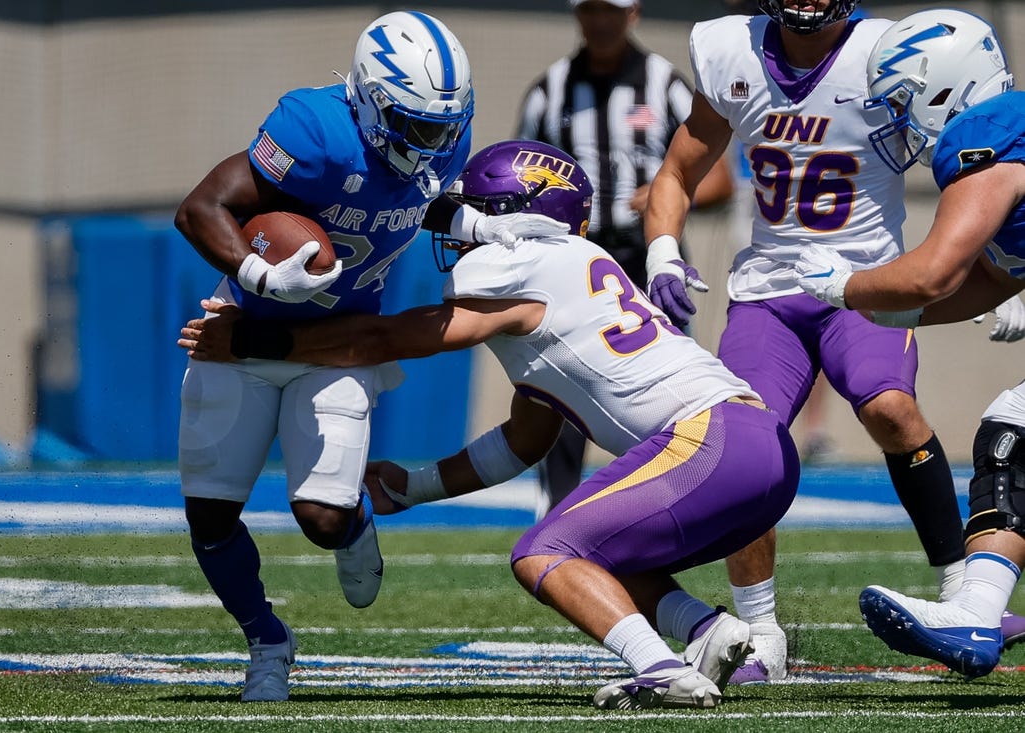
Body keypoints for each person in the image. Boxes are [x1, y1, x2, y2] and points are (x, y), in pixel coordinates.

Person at [179, 139, 802, 709]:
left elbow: (381, 336)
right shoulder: (575, 277)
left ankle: (662, 670)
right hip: (757, 450)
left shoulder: (522, 267)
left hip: (709, 441)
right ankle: (703, 628)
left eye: (483, 210)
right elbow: (525, 439)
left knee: (543, 551)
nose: (465, 226)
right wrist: (412, 486)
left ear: (517, 215)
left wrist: (252, 340)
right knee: (589, 545)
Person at [173, 11, 568, 703]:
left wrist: (472, 220)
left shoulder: (437, 134)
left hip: (342, 340)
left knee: (322, 518)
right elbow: (202, 206)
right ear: (367, 100)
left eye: (442, 126)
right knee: (209, 514)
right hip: (244, 327)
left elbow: (418, 195)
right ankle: (267, 639)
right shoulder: (312, 130)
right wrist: (262, 275)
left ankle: (356, 524)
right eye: (415, 125)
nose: (434, 142)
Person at [638, 0, 1022, 684]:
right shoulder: (731, 51)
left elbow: (965, 222)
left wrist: (983, 274)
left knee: (890, 409)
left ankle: (964, 594)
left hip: (867, 275)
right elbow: (677, 170)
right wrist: (663, 248)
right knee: (747, 443)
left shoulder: (896, 51)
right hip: (771, 285)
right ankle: (759, 630)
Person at [793, 8, 1025, 678]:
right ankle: (979, 613)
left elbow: (938, 268)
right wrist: (906, 313)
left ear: (942, 87)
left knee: (1013, 435)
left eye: (902, 100)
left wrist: (850, 285)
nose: (899, 119)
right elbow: (985, 277)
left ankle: (978, 614)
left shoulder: (989, 130)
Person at [516, 0, 734, 519]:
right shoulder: (549, 90)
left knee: (672, 385)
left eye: (610, 10)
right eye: (590, 10)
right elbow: (517, 179)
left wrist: (658, 195)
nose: (600, 21)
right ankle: (559, 516)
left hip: (649, 258)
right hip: (572, 260)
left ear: (633, 13)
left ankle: (672, 505)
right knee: (563, 382)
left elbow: (722, 181)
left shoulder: (667, 84)